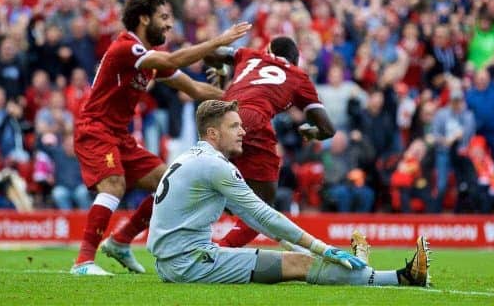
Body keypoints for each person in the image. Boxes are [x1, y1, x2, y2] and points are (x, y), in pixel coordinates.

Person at [148, 100, 431, 286]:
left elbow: (258, 220)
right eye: (234, 126)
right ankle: (401, 278)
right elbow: (261, 214)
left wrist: (301, 246)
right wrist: (320, 247)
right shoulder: (214, 166)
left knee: (298, 258)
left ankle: (368, 273)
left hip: (174, 262)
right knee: (300, 263)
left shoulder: (190, 157)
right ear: (212, 133)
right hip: (189, 264)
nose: (243, 132)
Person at [70, 0, 251, 275]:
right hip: (96, 129)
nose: (169, 25)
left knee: (169, 183)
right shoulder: (127, 47)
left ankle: (120, 241)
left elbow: (194, 89)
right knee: (114, 185)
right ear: (144, 18)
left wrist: (237, 100)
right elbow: (169, 62)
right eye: (164, 18)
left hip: (119, 134)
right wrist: (218, 41)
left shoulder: (149, 59)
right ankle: (83, 262)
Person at [205, 36, 336, 248]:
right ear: (295, 61)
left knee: (198, 181)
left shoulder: (249, 54)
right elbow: (328, 129)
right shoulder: (298, 75)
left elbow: (211, 52)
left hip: (219, 117)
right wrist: (312, 134)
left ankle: (162, 228)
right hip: (254, 119)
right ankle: (221, 251)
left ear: (268, 50)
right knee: (262, 206)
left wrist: (221, 71)